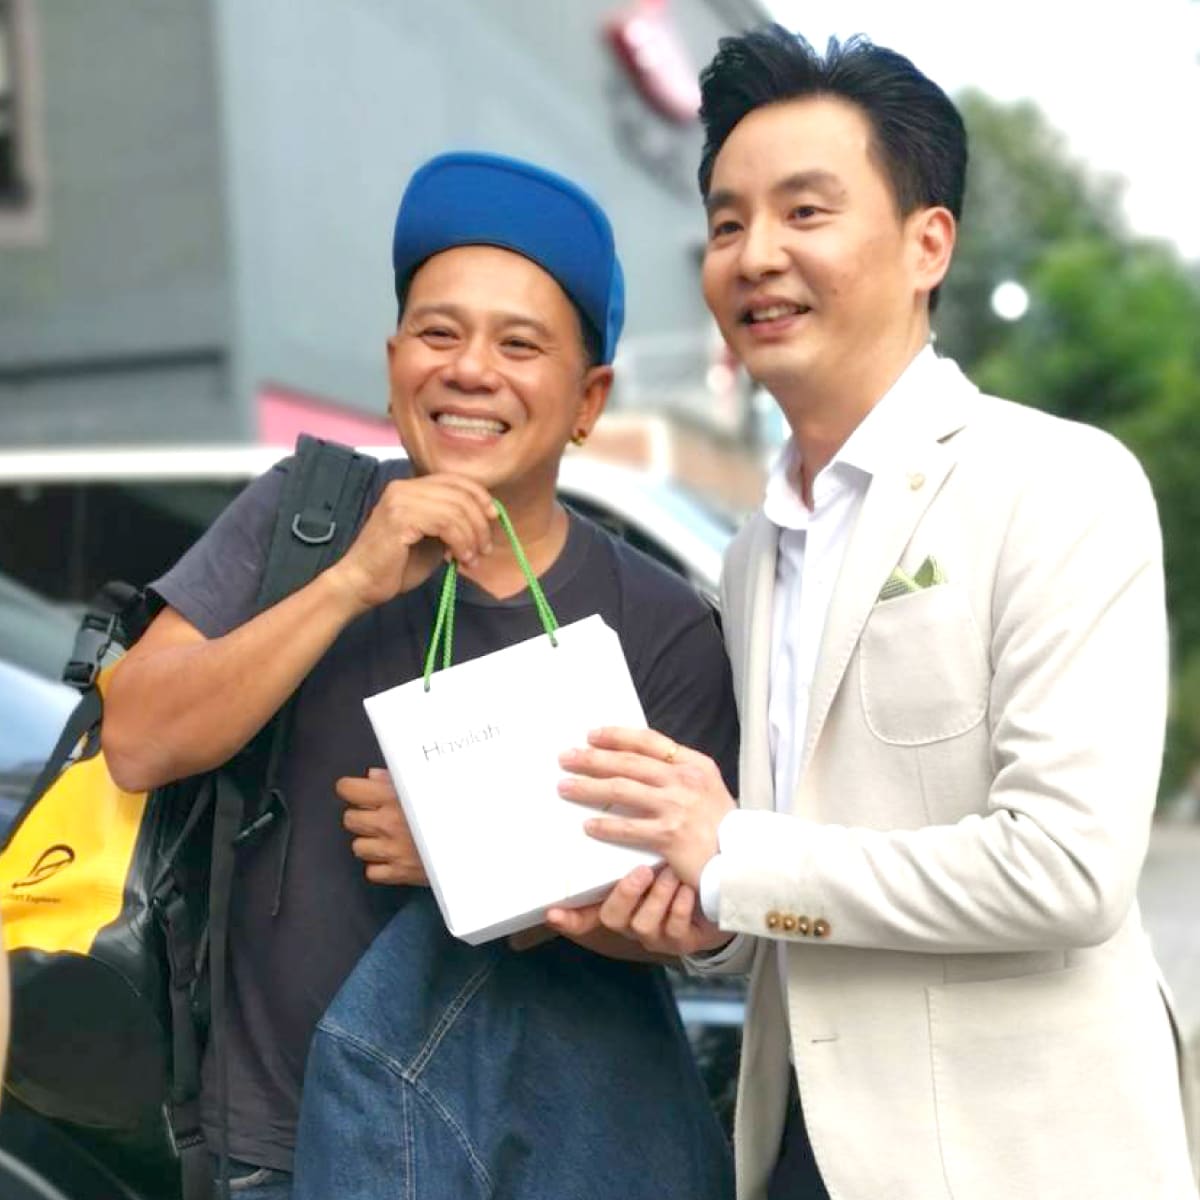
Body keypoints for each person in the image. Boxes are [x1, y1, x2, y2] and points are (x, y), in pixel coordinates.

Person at [549, 26, 1200, 1200]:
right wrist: (697, 917)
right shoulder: (754, 554)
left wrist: (732, 856)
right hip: (799, 1149)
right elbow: (782, 880)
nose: (756, 256)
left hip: (1020, 1160)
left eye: (805, 212)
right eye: (728, 223)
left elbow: (1065, 869)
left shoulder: (1058, 482)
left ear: (926, 244)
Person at [104, 150, 737, 1200]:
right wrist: (350, 582)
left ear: (589, 399)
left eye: (519, 344)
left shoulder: (660, 623)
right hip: (278, 1150)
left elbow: (699, 918)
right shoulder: (302, 521)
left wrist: (470, 848)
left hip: (550, 1161)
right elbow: (136, 739)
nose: (470, 370)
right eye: (439, 334)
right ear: (394, 361)